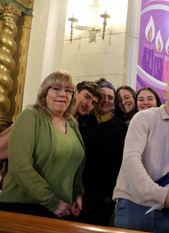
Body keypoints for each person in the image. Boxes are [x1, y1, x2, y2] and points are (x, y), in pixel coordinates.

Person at [112, 73, 169, 233]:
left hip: (166, 210)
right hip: (134, 204)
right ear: (165, 93)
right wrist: (159, 194)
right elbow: (131, 160)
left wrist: (168, 196)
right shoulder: (143, 118)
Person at [0, 71, 84, 219]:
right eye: (56, 88)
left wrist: (77, 193)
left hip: (62, 208)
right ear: (45, 92)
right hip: (25, 207)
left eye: (68, 90)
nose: (63, 94)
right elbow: (20, 166)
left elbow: (75, 166)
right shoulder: (31, 116)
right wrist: (51, 201)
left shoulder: (72, 125)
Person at [0, 80, 102, 190]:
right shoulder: (35, 117)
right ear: (75, 93)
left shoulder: (80, 128)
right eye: (86, 97)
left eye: (93, 103)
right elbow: (2, 147)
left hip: (56, 197)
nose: (88, 104)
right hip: (21, 193)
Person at [78, 77, 128, 226]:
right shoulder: (81, 120)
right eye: (102, 96)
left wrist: (110, 190)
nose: (106, 100)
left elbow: (120, 161)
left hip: (104, 193)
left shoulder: (121, 127)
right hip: (79, 188)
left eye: (110, 97)